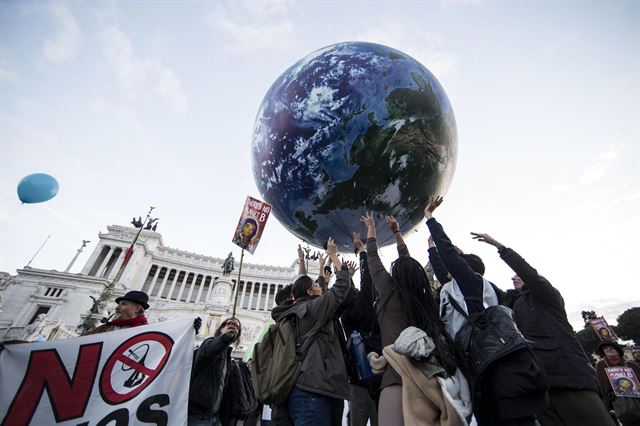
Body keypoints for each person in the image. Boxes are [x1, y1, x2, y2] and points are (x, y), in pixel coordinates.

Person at [424, 196, 548, 426]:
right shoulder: (481, 290)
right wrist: (432, 250)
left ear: (465, 268)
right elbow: (444, 268)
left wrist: (430, 218)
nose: (449, 271)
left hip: (495, 366)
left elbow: (449, 257)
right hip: (483, 363)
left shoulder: (470, 283)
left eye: (457, 266)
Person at [471, 231, 615, 426]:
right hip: (540, 387)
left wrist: (500, 247)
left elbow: (529, 273)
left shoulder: (547, 297)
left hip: (570, 380)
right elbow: (479, 286)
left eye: (518, 275)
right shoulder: (513, 305)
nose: (514, 279)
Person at [362, 213, 451, 426]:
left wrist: (372, 230)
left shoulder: (389, 292)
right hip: (430, 380)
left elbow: (372, 259)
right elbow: (408, 265)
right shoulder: (424, 299)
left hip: (396, 378)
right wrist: (396, 232)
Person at [271, 238, 351, 426]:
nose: (320, 287)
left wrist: (304, 261)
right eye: (316, 286)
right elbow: (341, 287)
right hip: (313, 390)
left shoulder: (297, 311)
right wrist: (333, 255)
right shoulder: (312, 309)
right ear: (308, 292)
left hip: (312, 387)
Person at [340, 232, 379, 426]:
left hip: (356, 378)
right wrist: (362, 251)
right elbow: (368, 280)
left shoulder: (345, 317)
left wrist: (346, 278)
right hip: (380, 375)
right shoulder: (368, 309)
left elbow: (351, 292)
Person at [189, 317, 242, 426]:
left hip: (215, 417)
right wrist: (225, 338)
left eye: (237, 327)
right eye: (229, 324)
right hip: (198, 415)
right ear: (221, 328)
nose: (233, 326)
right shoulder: (209, 343)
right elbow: (210, 351)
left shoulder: (227, 357)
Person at [596, 341, 640, 425]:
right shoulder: (601, 365)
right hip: (621, 406)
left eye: (611, 347)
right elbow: (603, 387)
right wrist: (610, 400)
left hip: (637, 401)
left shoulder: (631, 364)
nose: (608, 349)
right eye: (605, 348)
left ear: (617, 350)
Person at [83, 290, 149, 335]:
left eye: (123, 304)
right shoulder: (103, 328)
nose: (117, 308)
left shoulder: (145, 332)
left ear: (137, 309)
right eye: (118, 304)